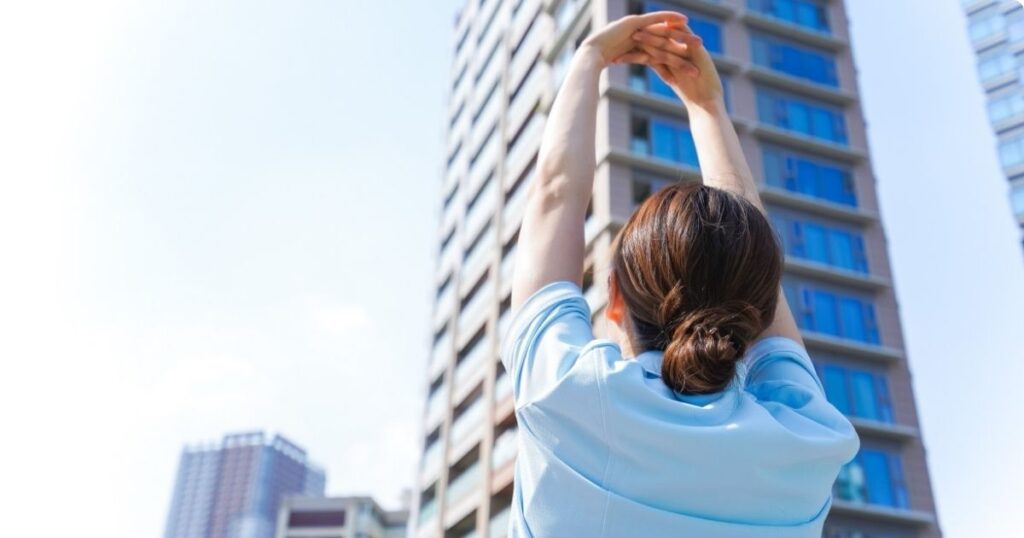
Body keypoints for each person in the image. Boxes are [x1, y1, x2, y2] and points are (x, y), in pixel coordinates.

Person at [500, 11, 860, 537]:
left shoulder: (565, 395)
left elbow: (556, 193)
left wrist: (588, 59)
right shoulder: (806, 441)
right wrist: (708, 107)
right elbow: (751, 262)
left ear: (614, 298)